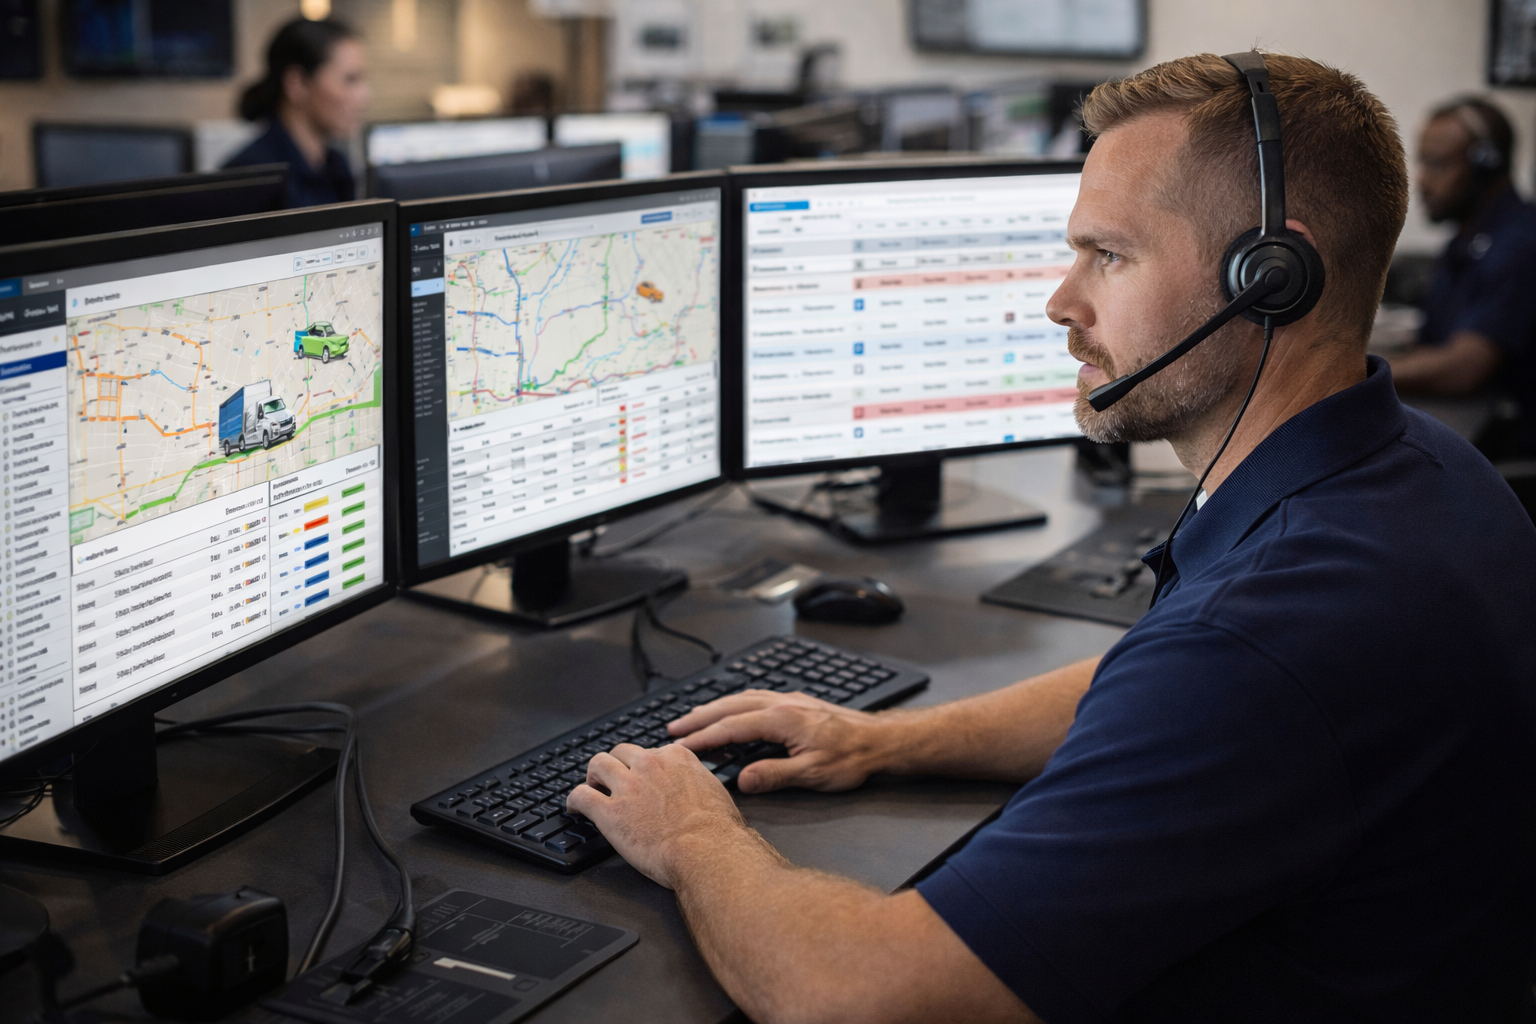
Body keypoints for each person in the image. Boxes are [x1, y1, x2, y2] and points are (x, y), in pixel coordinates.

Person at [567, 53, 1536, 1023]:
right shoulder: (1436, 472)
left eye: (1108, 256)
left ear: (1269, 275)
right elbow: (1151, 687)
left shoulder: (1264, 639)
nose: (1062, 303)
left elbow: (857, 995)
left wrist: (695, 832)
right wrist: (884, 739)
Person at [1388, 98, 1536, 457]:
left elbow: (1464, 369)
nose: (1421, 180)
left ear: (1486, 165)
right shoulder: (1467, 240)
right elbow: (1434, 341)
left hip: (1510, 451)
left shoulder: (1519, 245)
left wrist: (1355, 370)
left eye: (1436, 164)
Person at [225, 18, 368, 208]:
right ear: (297, 83)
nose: (364, 96)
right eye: (350, 80)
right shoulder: (249, 177)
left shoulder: (336, 166)